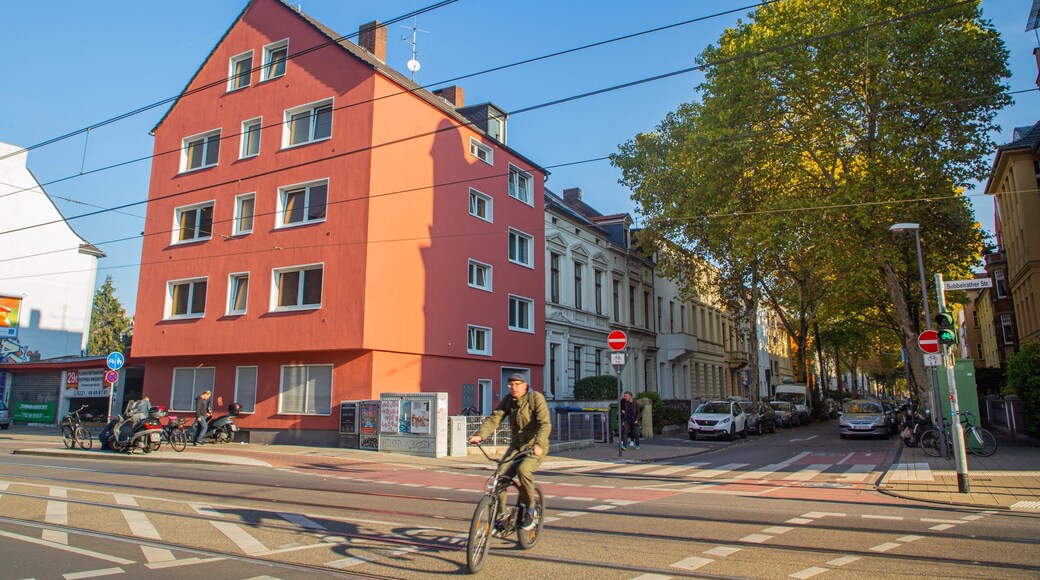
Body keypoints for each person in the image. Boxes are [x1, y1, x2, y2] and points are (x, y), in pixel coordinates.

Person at [468, 373, 551, 530]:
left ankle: (530, 508)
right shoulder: (508, 400)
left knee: (523, 470)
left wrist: (539, 444)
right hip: (516, 446)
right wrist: (480, 435)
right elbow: (495, 418)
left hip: (534, 446)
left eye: (517, 384)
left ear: (525, 385)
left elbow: (545, 424)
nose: (514, 388)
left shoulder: (536, 398)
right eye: (511, 385)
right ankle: (500, 515)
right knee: (501, 475)